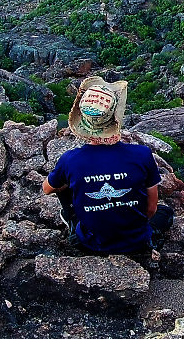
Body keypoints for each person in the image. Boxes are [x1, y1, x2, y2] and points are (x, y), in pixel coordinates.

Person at [42, 76, 174, 255]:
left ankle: (74, 220)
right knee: (165, 213)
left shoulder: (70, 160)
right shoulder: (142, 154)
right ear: (115, 117)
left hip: (92, 244)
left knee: (62, 183)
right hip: (136, 242)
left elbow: (47, 189)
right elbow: (151, 208)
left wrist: (74, 181)